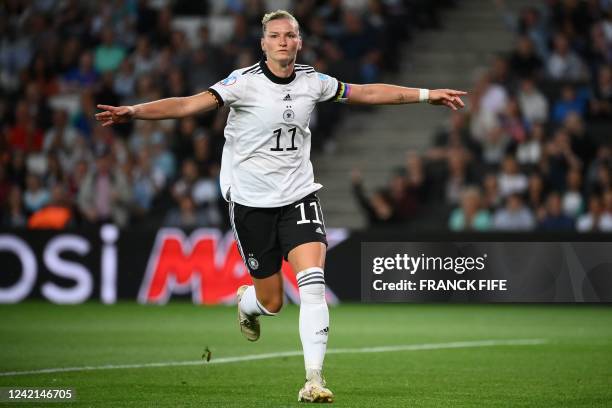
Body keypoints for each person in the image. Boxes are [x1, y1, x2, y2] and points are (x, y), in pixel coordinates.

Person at [95, 10, 466, 403]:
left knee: (312, 285)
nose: (283, 41)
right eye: (275, 36)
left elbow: (367, 92)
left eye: (290, 35)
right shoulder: (243, 84)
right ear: (264, 44)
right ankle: (248, 303)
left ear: (300, 42)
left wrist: (426, 95)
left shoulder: (313, 81)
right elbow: (190, 104)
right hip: (251, 202)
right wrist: (135, 111)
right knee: (271, 302)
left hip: (299, 196)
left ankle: (314, 379)